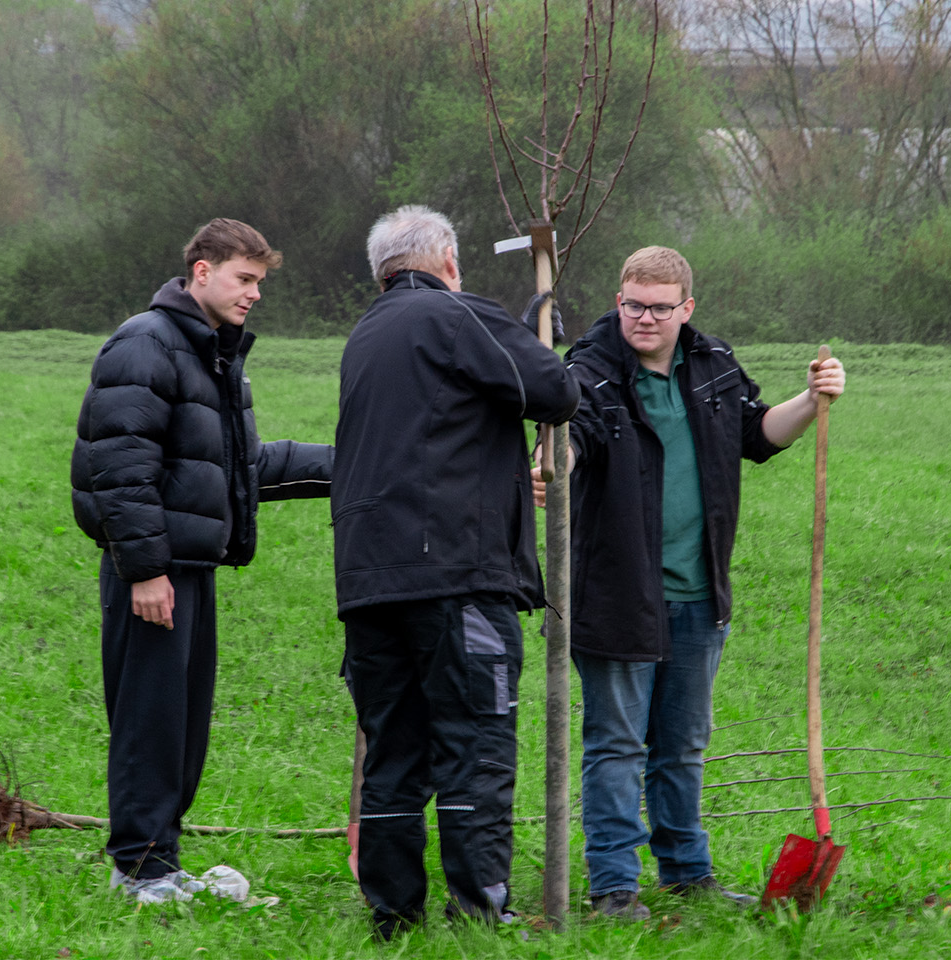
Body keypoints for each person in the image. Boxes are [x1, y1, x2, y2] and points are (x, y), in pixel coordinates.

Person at [549, 245, 845, 920]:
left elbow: (758, 434)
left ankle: (686, 874)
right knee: (617, 747)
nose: (643, 319)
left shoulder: (713, 366)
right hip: (616, 596)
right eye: (632, 304)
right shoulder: (589, 373)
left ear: (686, 308)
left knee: (681, 746)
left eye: (658, 307)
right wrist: (554, 457)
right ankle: (615, 888)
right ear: (618, 299)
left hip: (698, 595)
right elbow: (575, 439)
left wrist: (812, 398)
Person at [331, 205, 581, 936]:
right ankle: (479, 915)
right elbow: (556, 392)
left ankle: (392, 918)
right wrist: (530, 330)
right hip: (458, 577)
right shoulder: (455, 314)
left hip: (370, 581)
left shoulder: (365, 335)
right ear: (445, 260)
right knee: (475, 745)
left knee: (395, 752)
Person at [70, 219, 333, 903]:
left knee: (181, 724)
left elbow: (239, 466)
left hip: (191, 567)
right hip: (153, 573)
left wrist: (353, 463)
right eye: (245, 280)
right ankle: (138, 870)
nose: (254, 295)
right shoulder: (145, 344)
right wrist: (145, 571)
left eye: (259, 283)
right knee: (148, 720)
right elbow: (118, 466)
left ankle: (163, 859)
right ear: (201, 272)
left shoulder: (210, 355)